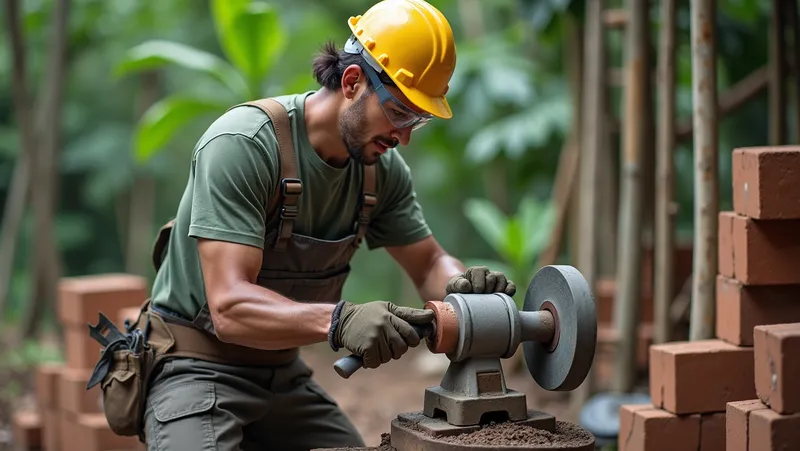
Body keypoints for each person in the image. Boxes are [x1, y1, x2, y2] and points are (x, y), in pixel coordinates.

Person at [136, 0, 517, 449]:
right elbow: (229, 307)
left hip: (281, 375)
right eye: (399, 113)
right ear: (353, 82)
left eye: (419, 119)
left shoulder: (380, 170)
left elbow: (427, 260)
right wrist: (341, 320)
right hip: (193, 366)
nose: (405, 137)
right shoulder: (243, 145)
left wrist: (460, 288)